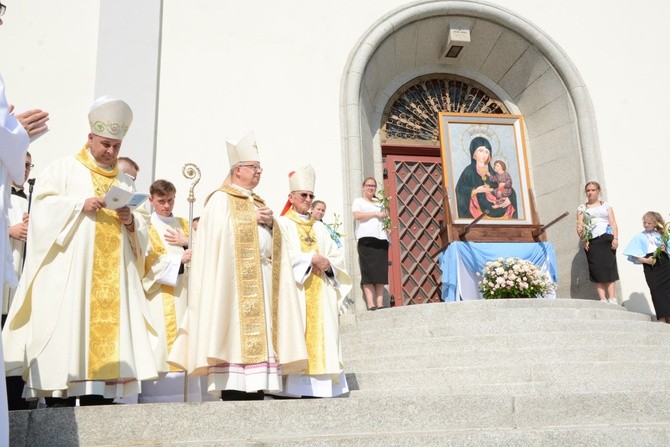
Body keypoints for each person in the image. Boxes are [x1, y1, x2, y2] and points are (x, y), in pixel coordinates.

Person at [2, 96, 158, 406]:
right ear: (90, 138)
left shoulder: (124, 180)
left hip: (113, 285)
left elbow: (143, 228)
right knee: (68, 346)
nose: (110, 151)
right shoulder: (64, 169)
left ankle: (100, 402)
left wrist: (129, 221)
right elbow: (42, 210)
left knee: (103, 386)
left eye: (115, 145)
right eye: (104, 143)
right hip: (73, 281)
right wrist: (77, 205)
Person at [168, 131, 308, 400]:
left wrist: (270, 225)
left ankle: (256, 389)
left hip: (263, 279)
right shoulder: (220, 199)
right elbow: (213, 237)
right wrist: (249, 218)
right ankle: (233, 390)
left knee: (259, 359)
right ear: (237, 170)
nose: (258, 173)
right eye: (253, 168)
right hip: (233, 286)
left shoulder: (259, 201)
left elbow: (273, 242)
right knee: (234, 344)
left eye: (259, 168)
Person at [277, 165, 352, 397]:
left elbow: (336, 256)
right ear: (291, 197)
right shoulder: (282, 224)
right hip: (296, 293)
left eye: (311, 196)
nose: (308, 200)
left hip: (321, 292)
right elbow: (279, 256)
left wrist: (328, 265)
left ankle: (320, 386)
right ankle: (292, 387)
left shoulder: (320, 227)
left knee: (324, 336)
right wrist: (311, 259)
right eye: (303, 195)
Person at [139, 179, 202, 402]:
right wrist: (179, 261)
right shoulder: (144, 225)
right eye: (161, 201)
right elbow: (146, 262)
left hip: (186, 295)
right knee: (162, 346)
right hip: (159, 295)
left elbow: (205, 253)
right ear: (151, 200)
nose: (167, 206)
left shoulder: (184, 223)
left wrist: (188, 242)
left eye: (171, 200)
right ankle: (157, 399)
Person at [2, 152, 32, 411]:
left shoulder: (31, 199)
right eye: (21, 164)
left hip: (20, 281)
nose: (25, 170)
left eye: (28, 165)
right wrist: (8, 231)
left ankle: (15, 403)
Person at [576, 181, 619, 303]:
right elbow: (579, 226)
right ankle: (603, 298)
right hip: (592, 241)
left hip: (606, 238)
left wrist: (615, 238)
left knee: (609, 267)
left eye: (593, 190)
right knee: (596, 269)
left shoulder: (606, 206)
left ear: (598, 191)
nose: (590, 192)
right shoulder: (582, 208)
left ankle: (612, 297)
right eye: (588, 190)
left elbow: (613, 223)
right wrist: (583, 238)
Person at [623, 212, 670, 323]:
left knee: (668, 290)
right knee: (655, 290)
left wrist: (665, 250)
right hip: (651, 267)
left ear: (655, 224)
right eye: (645, 222)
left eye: (649, 223)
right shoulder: (639, 237)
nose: (646, 225)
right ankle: (662, 317)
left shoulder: (663, 235)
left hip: (665, 264)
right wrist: (646, 260)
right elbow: (635, 257)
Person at [455, 136, 517, 219]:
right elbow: (460, 190)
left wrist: (509, 199)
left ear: (489, 155)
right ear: (474, 153)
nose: (484, 155)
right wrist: (476, 190)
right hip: (479, 208)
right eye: (480, 151)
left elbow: (507, 187)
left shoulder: (494, 173)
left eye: (487, 152)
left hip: (498, 206)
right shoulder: (468, 171)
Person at [352, 177, 389, 310]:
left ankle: (380, 303)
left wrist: (387, 225)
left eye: (373, 186)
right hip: (366, 239)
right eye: (368, 185)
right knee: (368, 272)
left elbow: (385, 218)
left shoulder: (380, 202)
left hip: (382, 240)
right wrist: (375, 213)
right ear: (363, 187)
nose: (371, 188)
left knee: (380, 273)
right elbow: (357, 216)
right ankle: (371, 303)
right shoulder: (358, 201)